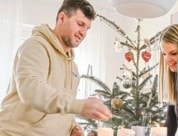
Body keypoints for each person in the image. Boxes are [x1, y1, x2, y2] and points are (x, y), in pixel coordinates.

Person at [0, 0, 112, 135]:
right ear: (62, 18)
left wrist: (71, 127)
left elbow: (61, 105)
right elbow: (32, 90)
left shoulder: (73, 68)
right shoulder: (35, 47)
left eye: (87, 28)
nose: (83, 33)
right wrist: (80, 106)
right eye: (80, 24)